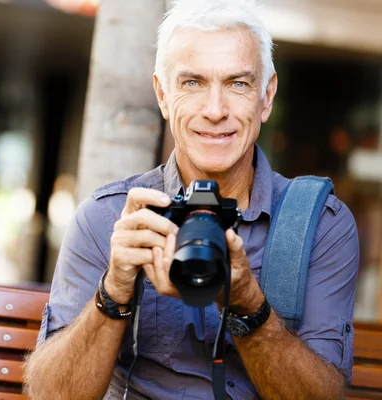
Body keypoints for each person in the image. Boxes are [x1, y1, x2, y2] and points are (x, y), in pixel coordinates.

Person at [23, 0, 359, 398]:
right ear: (162, 95)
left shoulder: (319, 224)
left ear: (266, 97)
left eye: (238, 83)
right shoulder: (110, 217)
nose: (215, 110)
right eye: (192, 83)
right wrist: (113, 290)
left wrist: (247, 303)